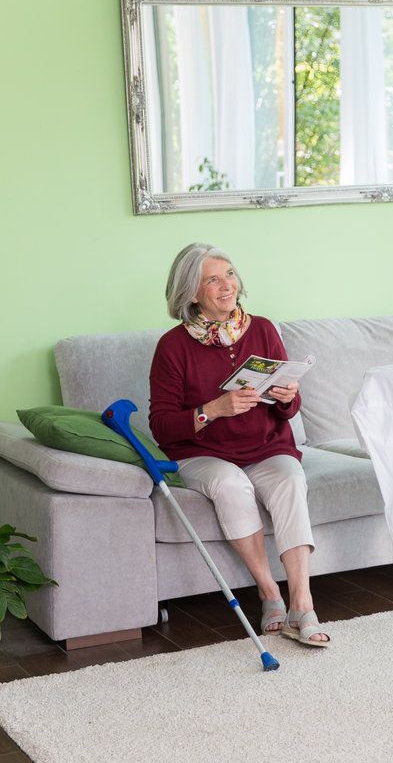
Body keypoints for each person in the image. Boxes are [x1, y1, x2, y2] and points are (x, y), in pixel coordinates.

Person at [149, 242, 330, 647]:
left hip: (267, 447)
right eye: (212, 279)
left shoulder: (263, 329)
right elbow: (161, 426)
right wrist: (213, 409)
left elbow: (290, 408)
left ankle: (302, 602)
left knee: (290, 479)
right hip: (203, 454)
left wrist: (287, 397)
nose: (226, 285)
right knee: (231, 485)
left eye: (229, 274)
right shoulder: (172, 346)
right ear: (192, 293)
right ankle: (269, 594)